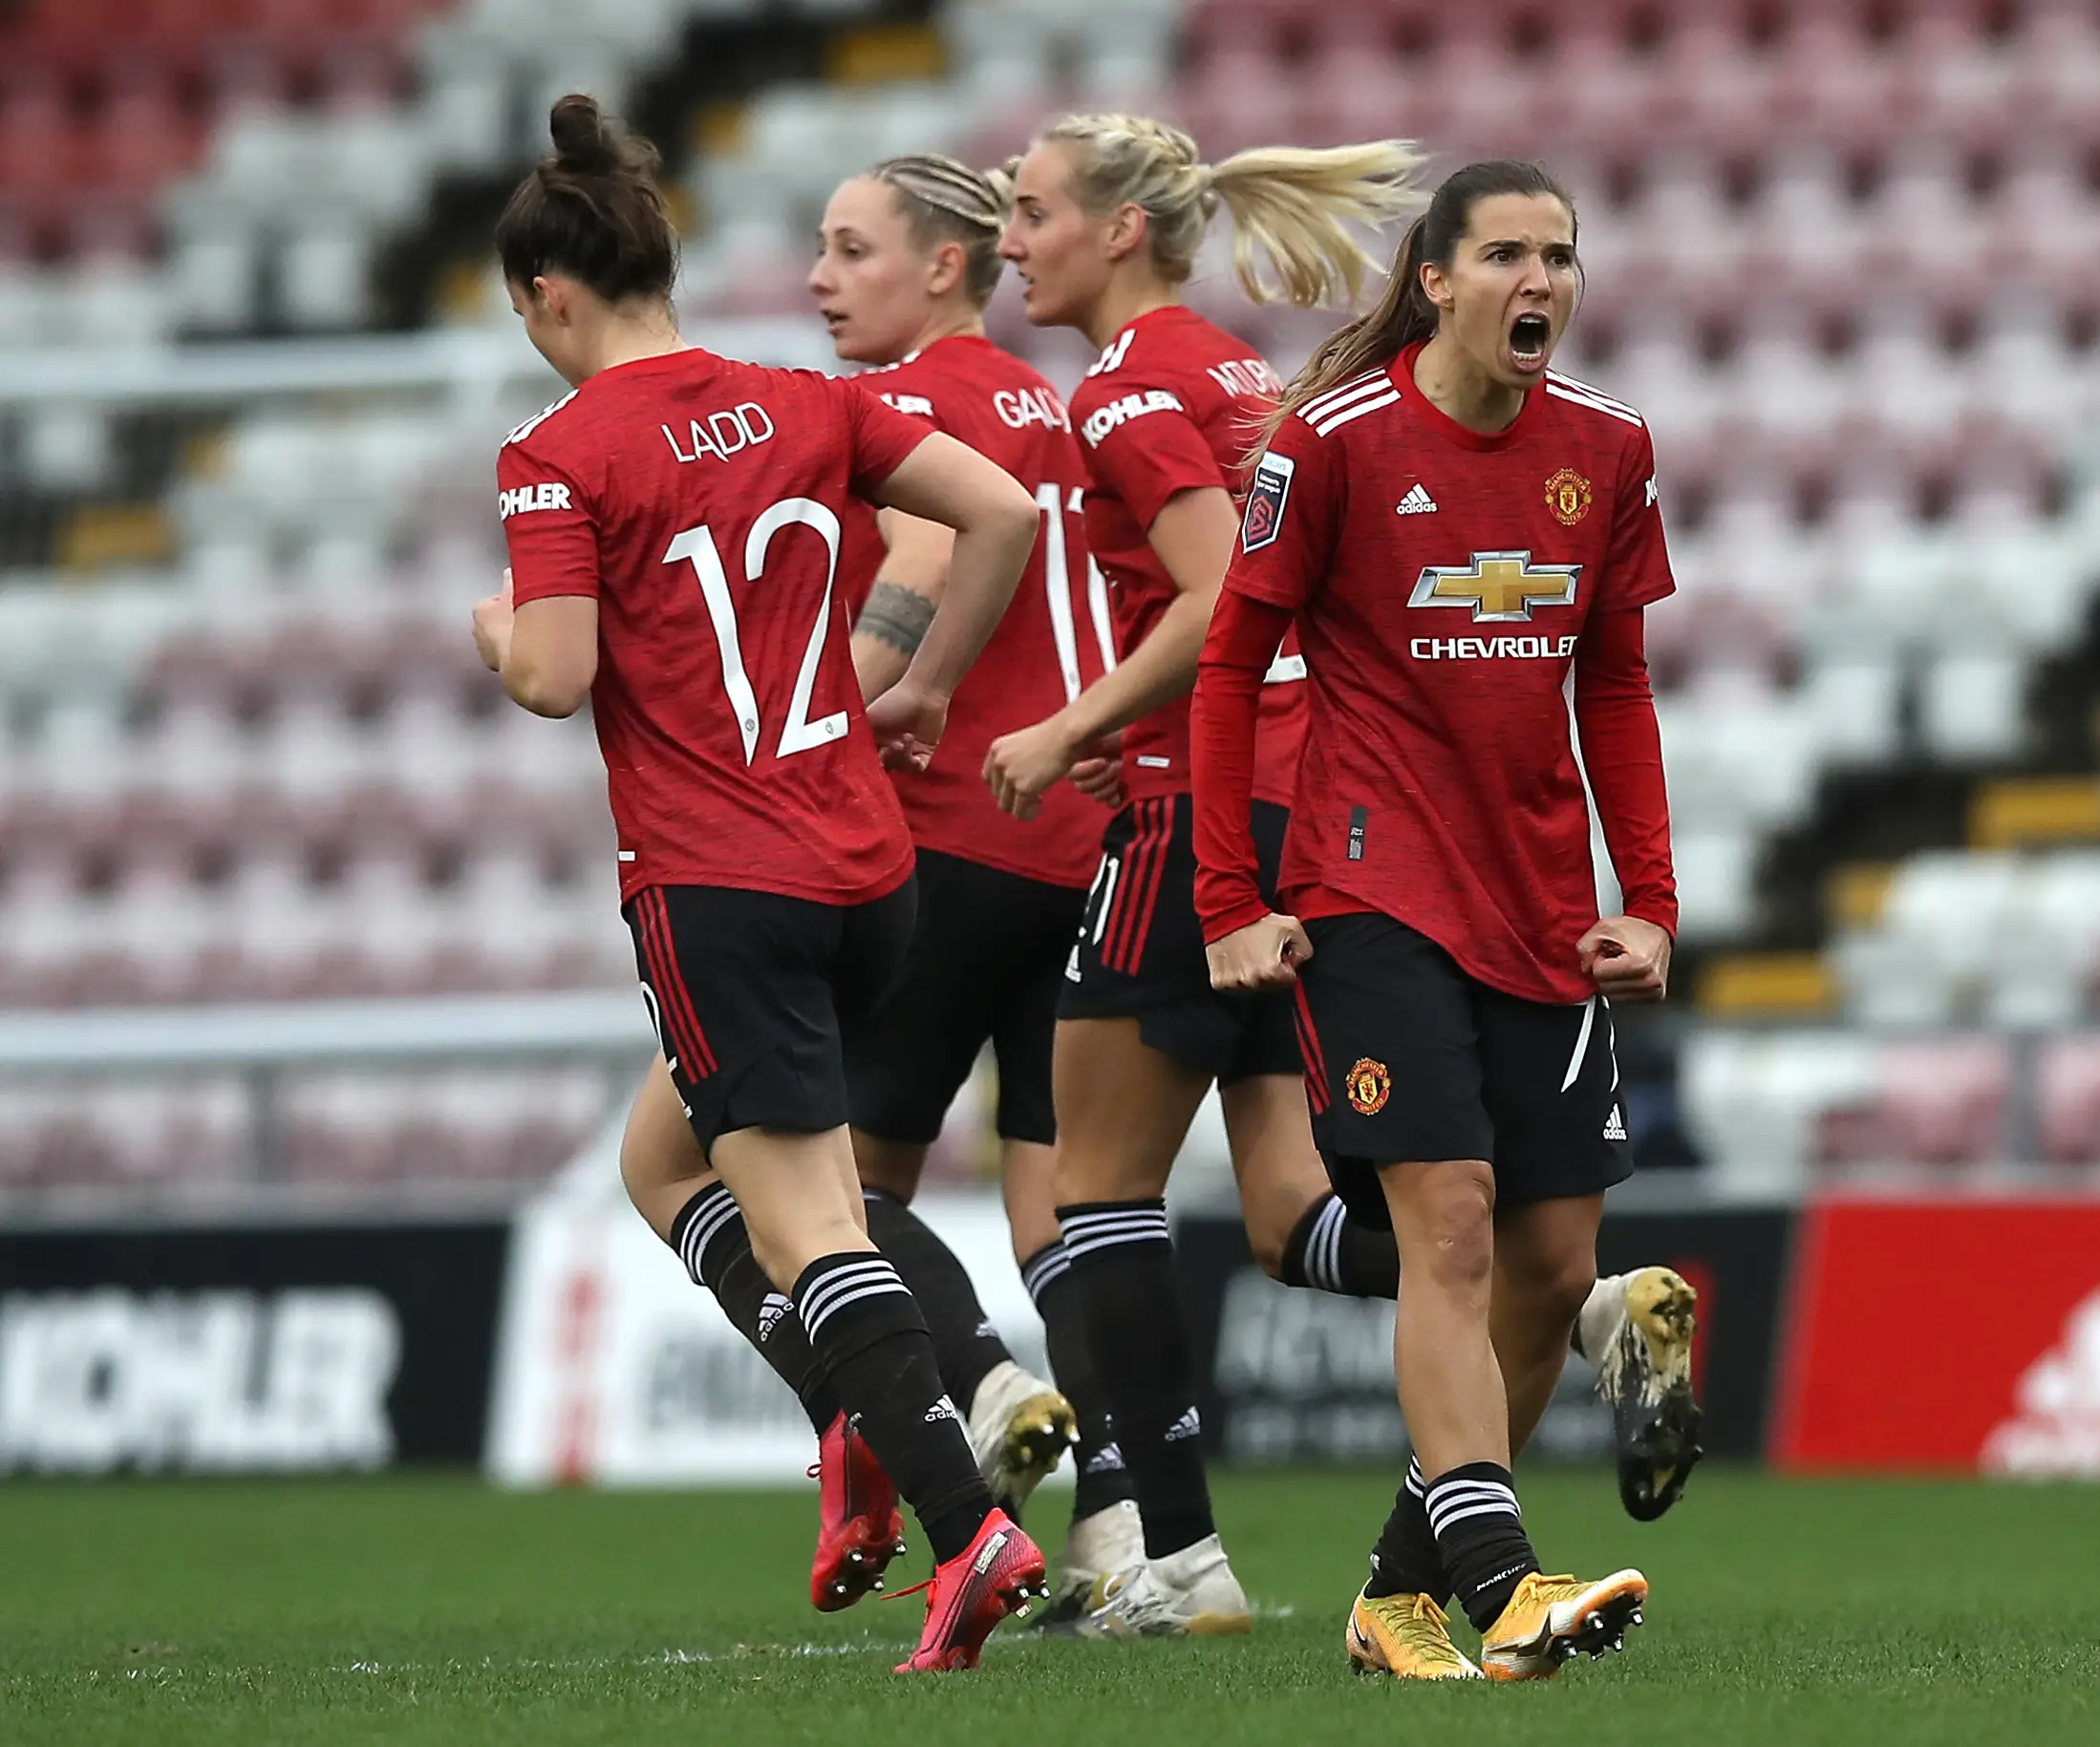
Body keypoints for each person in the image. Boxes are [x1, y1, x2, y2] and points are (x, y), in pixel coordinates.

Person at [472, 96, 1043, 1672]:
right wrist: (926, 687)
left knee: (805, 1224)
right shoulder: (801, 398)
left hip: (721, 881)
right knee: (666, 1163)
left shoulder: (555, 452)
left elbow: (552, 676)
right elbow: (1001, 510)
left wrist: (489, 629)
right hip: (870, 872)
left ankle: (964, 1525)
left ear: (549, 298)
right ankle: (850, 1410)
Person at [1193, 160, 1682, 1681]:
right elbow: (1229, 670)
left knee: (1549, 1269)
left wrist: (1651, 897)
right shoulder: (1330, 446)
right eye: (1510, 255)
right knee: (1451, 1230)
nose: (1542, 280)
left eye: (1563, 254)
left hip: (1540, 904)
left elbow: (1613, 680)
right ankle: (1504, 1583)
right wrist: (1234, 898)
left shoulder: (1606, 448)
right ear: (1439, 279)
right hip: (1371, 886)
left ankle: (1393, 1595)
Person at [611, 151, 1113, 1611]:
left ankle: (952, 1397)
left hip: (924, 833)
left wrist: (850, 705)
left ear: (942, 266)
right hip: (1070, 838)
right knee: (1067, 1208)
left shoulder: (909, 401)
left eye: (849, 249)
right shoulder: (1045, 400)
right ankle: (1140, 1527)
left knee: (727, 1173)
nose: (820, 280)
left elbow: (923, 546)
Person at [983, 112, 1425, 1637]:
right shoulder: (1236, 364)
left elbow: (1216, 591)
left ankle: (1179, 1564)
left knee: (1088, 1192)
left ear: (1117, 230)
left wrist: (1074, 725)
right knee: (1289, 1207)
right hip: (1308, 806)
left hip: (1203, 823)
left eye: (1030, 211)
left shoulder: (1126, 387)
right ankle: (1577, 1306)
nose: (1009, 240)